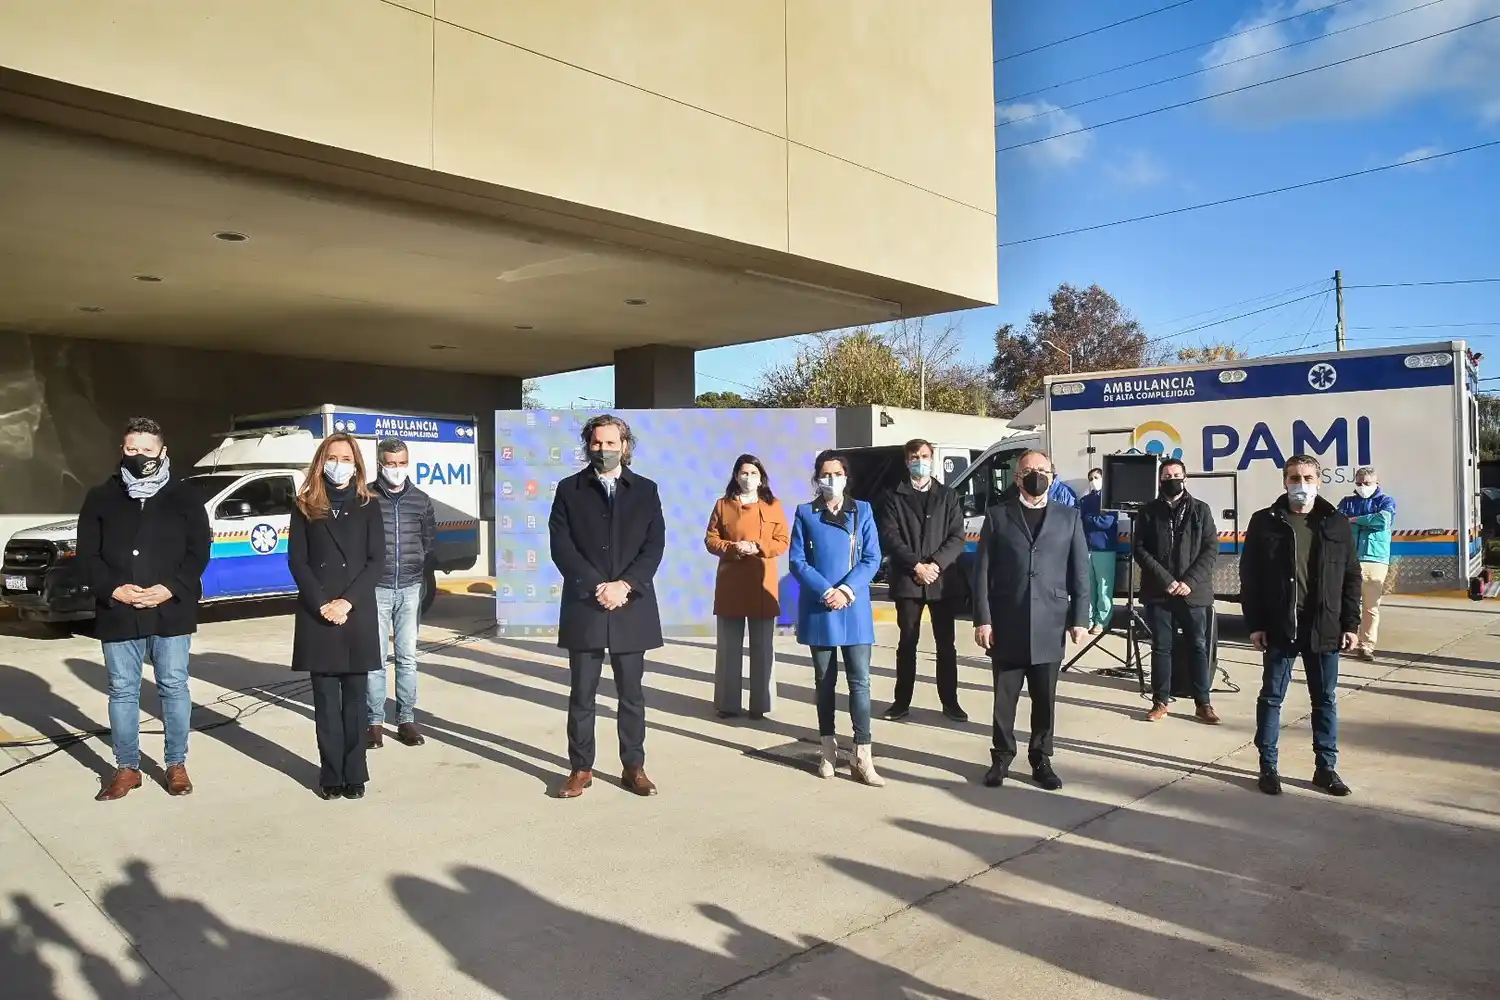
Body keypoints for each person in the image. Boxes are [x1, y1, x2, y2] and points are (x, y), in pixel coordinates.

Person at [76, 418, 211, 801]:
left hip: (171, 610)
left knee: (173, 686)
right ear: (122, 450)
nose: (138, 457)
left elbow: (198, 552)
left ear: (162, 452)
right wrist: (113, 588)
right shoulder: (100, 497)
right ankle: (126, 767)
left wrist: (169, 588)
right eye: (131, 449)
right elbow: (88, 554)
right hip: (118, 611)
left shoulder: (185, 498)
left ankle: (176, 763)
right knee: (122, 690)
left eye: (147, 450)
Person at [548, 414, 665, 798]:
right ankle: (580, 768)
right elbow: (561, 546)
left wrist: (625, 585)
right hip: (587, 603)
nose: (604, 449)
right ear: (588, 445)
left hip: (631, 606)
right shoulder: (569, 490)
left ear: (625, 446)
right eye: (597, 443)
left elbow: (654, 547)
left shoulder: (646, 490)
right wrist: (599, 586)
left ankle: (634, 767)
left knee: (631, 695)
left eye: (611, 443)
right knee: (582, 694)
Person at [1241, 454, 1360, 798]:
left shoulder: (1335, 522)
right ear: (1284, 482)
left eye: (1307, 478)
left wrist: (1350, 623)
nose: (1301, 484)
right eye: (1294, 478)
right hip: (1281, 626)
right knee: (1272, 697)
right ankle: (1268, 766)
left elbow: (1351, 576)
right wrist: (1256, 624)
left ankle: (1325, 768)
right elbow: (1250, 577)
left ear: (1319, 481)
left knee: (1324, 700)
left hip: (1323, 626)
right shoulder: (1266, 522)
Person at [972, 449, 1089, 791]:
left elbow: (1081, 570)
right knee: (1004, 698)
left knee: (1044, 697)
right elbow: (982, 572)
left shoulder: (1069, 517)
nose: (1036, 476)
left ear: (1052, 476)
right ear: (1017, 478)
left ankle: (1041, 758)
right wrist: (983, 619)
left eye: (1042, 470)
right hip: (1007, 621)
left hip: (1051, 622)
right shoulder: (997, 516)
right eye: (1028, 471)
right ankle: (1002, 757)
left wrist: (1080, 616)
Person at [288, 433, 385, 800]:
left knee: (355, 703)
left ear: (357, 465)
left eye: (346, 458)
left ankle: (355, 772)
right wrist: (323, 603)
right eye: (333, 457)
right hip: (319, 614)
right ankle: (330, 774)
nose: (339, 464)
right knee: (327, 703)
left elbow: (376, 561)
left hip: (355, 613)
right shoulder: (304, 504)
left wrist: (347, 602)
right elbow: (297, 560)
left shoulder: (368, 504)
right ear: (321, 461)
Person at [789, 450, 885, 786]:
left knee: (860, 682)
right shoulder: (805, 513)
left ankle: (863, 755)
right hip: (821, 607)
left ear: (846, 476)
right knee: (825, 681)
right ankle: (827, 750)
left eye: (837, 474)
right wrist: (825, 591)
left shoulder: (863, 511)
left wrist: (846, 590)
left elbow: (872, 558)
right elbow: (798, 562)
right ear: (817, 478)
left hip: (854, 607)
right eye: (825, 475)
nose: (832, 480)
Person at [877, 438, 968, 723]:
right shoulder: (892, 496)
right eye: (915, 456)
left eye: (925, 455)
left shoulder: (948, 496)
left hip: (942, 582)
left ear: (933, 458)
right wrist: (916, 565)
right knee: (907, 643)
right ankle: (901, 702)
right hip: (909, 580)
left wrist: (935, 564)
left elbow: (957, 537)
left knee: (946, 645)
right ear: (907, 461)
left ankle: (950, 702)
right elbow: (890, 537)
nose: (920, 460)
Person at [703, 454, 790, 720]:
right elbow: (710, 539)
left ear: (761, 477)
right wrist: (732, 548)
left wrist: (760, 546)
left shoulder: (773, 505)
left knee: (763, 648)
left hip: (762, 583)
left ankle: (760, 705)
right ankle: (728, 704)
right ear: (735, 476)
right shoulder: (722, 505)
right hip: (731, 583)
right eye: (743, 472)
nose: (747, 478)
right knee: (728, 648)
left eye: (753, 473)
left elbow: (783, 540)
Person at [1134, 458, 1220, 724]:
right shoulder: (1148, 511)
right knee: (1162, 647)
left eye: (1176, 475)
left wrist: (1189, 581)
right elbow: (1140, 549)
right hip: (1160, 593)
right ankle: (1160, 701)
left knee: (1198, 646)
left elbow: (1210, 549)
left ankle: (1203, 702)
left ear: (1185, 478)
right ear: (1160, 480)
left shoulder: (1201, 510)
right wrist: (1166, 580)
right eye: (1167, 475)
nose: (1171, 479)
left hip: (1194, 593)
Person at [366, 437, 437, 749]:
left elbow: (428, 541)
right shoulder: (365, 498)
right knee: (375, 660)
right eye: (390, 464)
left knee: (407, 657)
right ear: (380, 464)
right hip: (377, 588)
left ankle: (406, 718)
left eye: (402, 463)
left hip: (409, 589)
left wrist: (416, 567)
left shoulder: (420, 500)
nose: (396, 469)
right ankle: (374, 722)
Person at [1338, 467, 1395, 661]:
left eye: (1367, 483)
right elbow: (1338, 522)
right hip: (1350, 558)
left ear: (1376, 484)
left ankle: (1366, 645)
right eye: (1359, 483)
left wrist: (1354, 519)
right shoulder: (1347, 502)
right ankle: (1344, 638)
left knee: (1371, 606)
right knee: (1344, 602)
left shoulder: (1386, 501)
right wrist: (1364, 521)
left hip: (1375, 559)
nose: (1363, 487)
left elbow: (1382, 520)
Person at [1078, 467, 1119, 635]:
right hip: (1086, 547)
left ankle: (1101, 620)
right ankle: (1086, 618)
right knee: (1087, 586)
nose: (1093, 481)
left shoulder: (1110, 499)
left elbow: (1107, 522)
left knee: (1103, 587)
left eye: (1096, 477)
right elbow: (1081, 520)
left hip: (1105, 548)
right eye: (1090, 478)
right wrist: (1093, 519)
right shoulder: (1085, 500)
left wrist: (1091, 519)